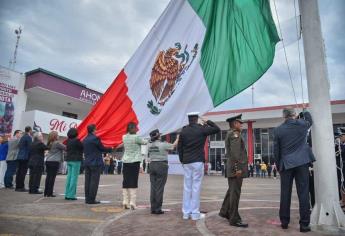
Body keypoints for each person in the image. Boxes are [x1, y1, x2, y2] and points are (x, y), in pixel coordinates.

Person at [274, 107, 315, 233]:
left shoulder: (278, 129)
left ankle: (284, 222)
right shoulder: (302, 124)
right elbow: (309, 120)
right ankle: (304, 225)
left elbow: (276, 151)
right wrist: (305, 110)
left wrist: (278, 165)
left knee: (285, 193)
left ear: (283, 116)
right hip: (302, 162)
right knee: (303, 193)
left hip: (286, 164)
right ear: (294, 115)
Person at [178, 112, 220, 220]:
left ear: (189, 120)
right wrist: (207, 121)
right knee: (196, 187)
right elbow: (217, 129)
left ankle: (186, 213)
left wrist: (182, 160)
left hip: (187, 161)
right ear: (197, 119)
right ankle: (195, 213)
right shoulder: (202, 129)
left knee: (187, 187)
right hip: (197, 161)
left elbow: (180, 147)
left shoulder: (184, 131)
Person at [219, 114, 248, 228]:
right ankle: (234, 219)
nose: (241, 125)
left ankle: (225, 211)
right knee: (235, 193)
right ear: (235, 124)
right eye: (240, 123)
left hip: (232, 167)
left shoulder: (231, 133)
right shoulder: (235, 134)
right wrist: (238, 169)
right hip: (236, 169)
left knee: (231, 191)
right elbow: (236, 154)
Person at [148, 129, 178, 214]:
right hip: (161, 165)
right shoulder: (163, 144)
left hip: (152, 164)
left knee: (153, 187)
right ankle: (158, 209)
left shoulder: (149, 144)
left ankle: (153, 208)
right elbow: (173, 146)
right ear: (158, 136)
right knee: (160, 188)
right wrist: (178, 139)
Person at [83, 124, 113, 204]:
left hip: (87, 162)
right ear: (93, 130)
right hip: (95, 162)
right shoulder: (95, 138)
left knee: (87, 181)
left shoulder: (85, 139)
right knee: (94, 181)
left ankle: (87, 198)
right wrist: (110, 149)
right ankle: (92, 199)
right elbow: (102, 148)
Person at [120, 122, 147, 209]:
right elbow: (145, 142)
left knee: (126, 181)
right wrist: (150, 139)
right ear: (134, 129)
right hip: (134, 161)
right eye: (136, 128)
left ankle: (125, 201)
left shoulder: (124, 137)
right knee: (133, 181)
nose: (137, 129)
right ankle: (132, 202)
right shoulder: (136, 137)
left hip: (126, 161)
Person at [44, 131, 66, 197]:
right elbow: (65, 147)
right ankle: (50, 193)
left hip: (48, 161)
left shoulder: (49, 143)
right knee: (52, 177)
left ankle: (46, 192)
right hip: (54, 161)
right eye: (57, 135)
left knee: (48, 177)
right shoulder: (57, 143)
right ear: (55, 136)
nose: (58, 136)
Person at [64, 128, 83, 200]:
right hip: (76, 160)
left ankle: (67, 193)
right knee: (74, 178)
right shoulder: (77, 140)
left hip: (69, 160)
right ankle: (71, 195)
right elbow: (82, 147)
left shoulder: (68, 141)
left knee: (69, 177)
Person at [15, 126, 32, 192]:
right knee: (22, 172)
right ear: (30, 130)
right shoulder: (28, 137)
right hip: (25, 157)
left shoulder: (22, 137)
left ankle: (18, 186)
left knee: (19, 172)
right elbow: (30, 147)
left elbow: (19, 145)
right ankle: (21, 187)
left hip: (20, 156)